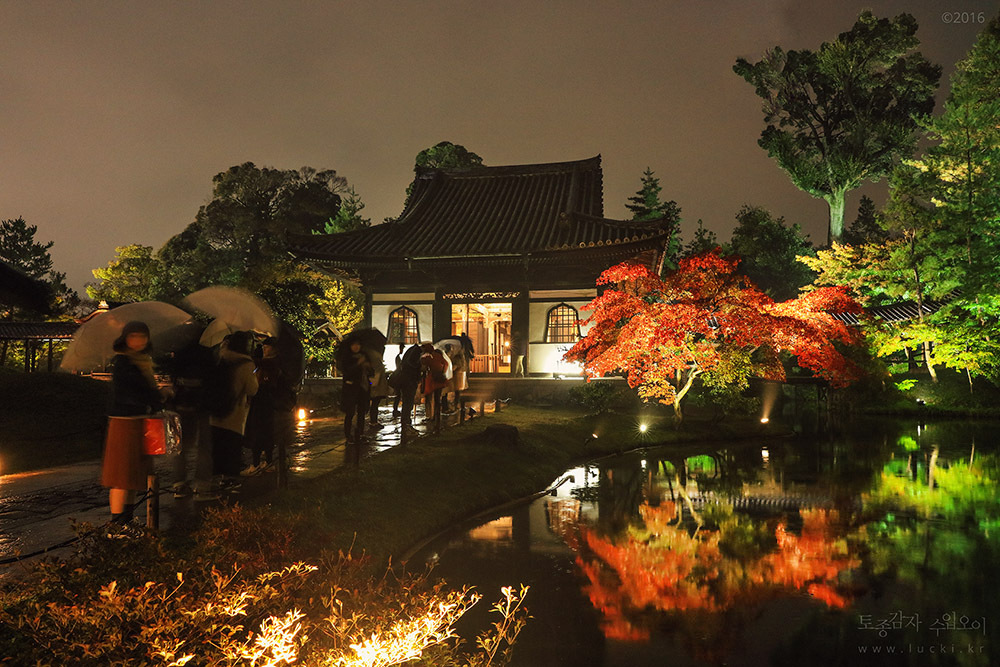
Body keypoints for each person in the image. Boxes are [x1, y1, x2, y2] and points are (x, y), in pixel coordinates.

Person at [101, 321, 171, 533]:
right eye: (133, 336)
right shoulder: (123, 362)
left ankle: (128, 520)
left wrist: (158, 397)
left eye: (142, 336)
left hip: (138, 420)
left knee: (133, 474)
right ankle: (117, 523)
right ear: (125, 338)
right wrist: (158, 396)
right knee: (121, 474)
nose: (138, 341)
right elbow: (131, 393)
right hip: (125, 422)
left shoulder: (141, 361)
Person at [208, 331, 258, 490]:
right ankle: (230, 480)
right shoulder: (245, 363)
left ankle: (216, 479)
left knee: (217, 447)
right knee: (232, 446)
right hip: (233, 413)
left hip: (215, 410)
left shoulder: (220, 357)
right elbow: (252, 389)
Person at [168, 341, 214, 498]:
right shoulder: (207, 355)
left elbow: (173, 379)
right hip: (202, 405)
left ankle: (179, 484)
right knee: (204, 446)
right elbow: (212, 381)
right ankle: (202, 485)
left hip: (181, 404)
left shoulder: (180, 353)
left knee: (181, 446)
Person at [244, 336, 296, 475]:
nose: (264, 349)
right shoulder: (268, 363)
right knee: (264, 433)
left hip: (266, 402)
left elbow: (266, 375)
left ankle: (258, 463)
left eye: (267, 347)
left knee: (260, 432)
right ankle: (266, 461)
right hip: (265, 402)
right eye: (263, 347)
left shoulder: (272, 364)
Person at [339, 340, 372, 443]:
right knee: (350, 413)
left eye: (358, 344)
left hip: (362, 388)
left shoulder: (364, 356)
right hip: (351, 389)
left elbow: (371, 373)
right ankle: (348, 436)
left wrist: (368, 367)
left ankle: (360, 434)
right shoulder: (347, 358)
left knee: (361, 413)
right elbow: (347, 372)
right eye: (354, 344)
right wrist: (358, 363)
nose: (356, 347)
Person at [420, 342, 449, 430]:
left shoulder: (428, 357)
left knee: (429, 398)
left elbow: (424, 367)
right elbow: (446, 364)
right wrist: (442, 371)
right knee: (437, 398)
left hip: (431, 380)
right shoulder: (439, 356)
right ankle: (437, 415)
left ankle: (430, 416)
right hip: (440, 379)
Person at [366, 343, 389, 431]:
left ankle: (373, 421)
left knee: (374, 404)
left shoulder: (373, 357)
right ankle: (373, 422)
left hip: (376, 385)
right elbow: (377, 372)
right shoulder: (375, 358)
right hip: (376, 386)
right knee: (374, 405)